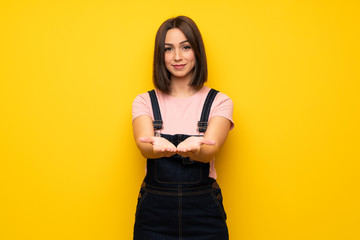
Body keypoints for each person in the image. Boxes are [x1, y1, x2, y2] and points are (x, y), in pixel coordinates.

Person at [132, 15, 234, 240]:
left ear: (197, 51)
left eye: (185, 47)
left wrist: (196, 148)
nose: (177, 57)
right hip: (154, 218)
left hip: (204, 216)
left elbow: (209, 152)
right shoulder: (144, 101)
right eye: (168, 49)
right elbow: (144, 147)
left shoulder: (220, 102)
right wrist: (156, 147)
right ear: (161, 55)